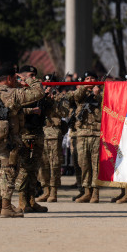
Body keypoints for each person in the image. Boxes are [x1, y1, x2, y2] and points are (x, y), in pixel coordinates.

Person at [0, 63, 44, 218]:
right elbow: (39, 92)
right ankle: (6, 207)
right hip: (8, 139)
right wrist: (28, 79)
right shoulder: (13, 94)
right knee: (8, 171)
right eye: (15, 77)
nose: (16, 80)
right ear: (9, 78)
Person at [15, 65, 48, 213]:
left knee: (34, 169)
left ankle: (31, 199)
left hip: (38, 133)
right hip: (24, 134)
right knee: (24, 169)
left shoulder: (38, 93)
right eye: (29, 75)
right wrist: (31, 110)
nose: (33, 78)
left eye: (34, 75)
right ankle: (22, 200)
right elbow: (15, 109)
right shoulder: (19, 92)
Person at [36, 74, 69, 202]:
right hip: (41, 132)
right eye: (46, 81)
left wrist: (53, 101)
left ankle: (53, 191)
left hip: (54, 132)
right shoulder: (39, 95)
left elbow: (65, 113)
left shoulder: (60, 97)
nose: (48, 84)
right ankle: (45, 190)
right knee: (42, 164)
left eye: (51, 82)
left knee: (54, 164)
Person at [73, 71, 102, 204]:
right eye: (87, 79)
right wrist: (85, 88)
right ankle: (86, 191)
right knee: (83, 163)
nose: (89, 81)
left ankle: (95, 192)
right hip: (82, 133)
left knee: (95, 164)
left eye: (92, 79)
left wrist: (97, 94)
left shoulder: (101, 95)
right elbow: (76, 96)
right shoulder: (81, 94)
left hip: (96, 133)